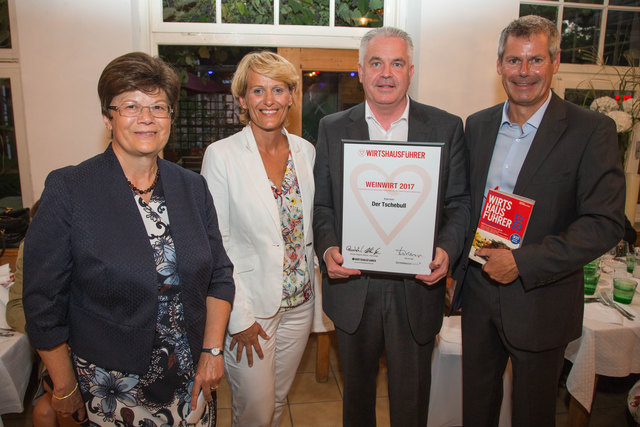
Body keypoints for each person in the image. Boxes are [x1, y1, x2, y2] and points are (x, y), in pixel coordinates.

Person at [23, 52, 235, 426]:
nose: (147, 117)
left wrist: (212, 350)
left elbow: (219, 274)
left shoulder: (192, 187)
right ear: (108, 118)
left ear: (171, 116)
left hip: (190, 375)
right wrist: (64, 385)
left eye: (159, 106)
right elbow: (43, 302)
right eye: (131, 106)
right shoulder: (70, 189)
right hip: (110, 385)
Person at [451, 15, 625, 426]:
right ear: (499, 65)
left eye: (535, 60)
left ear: (554, 62)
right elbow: (463, 202)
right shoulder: (477, 125)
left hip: (540, 300)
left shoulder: (591, 131)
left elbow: (603, 222)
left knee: (532, 415)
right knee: (476, 409)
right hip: (477, 293)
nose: (524, 72)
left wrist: (523, 262)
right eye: (514, 60)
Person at [313, 27, 470, 426]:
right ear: (361, 72)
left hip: (416, 289)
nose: (386, 73)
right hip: (353, 287)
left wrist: (447, 251)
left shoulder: (446, 127)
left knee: (411, 403)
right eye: (376, 63)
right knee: (357, 403)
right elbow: (324, 205)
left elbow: (459, 204)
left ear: (410, 71)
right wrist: (328, 248)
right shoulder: (332, 128)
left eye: (396, 63)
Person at [201, 51, 315, 427]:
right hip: (251, 311)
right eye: (257, 90)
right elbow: (217, 243)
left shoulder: (306, 152)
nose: (269, 100)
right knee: (254, 409)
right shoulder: (222, 156)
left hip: (300, 304)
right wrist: (239, 317)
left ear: (291, 96)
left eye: (278, 89)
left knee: (277, 401)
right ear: (243, 99)